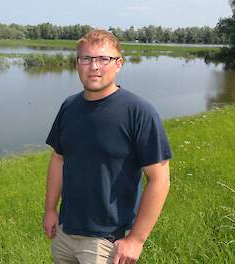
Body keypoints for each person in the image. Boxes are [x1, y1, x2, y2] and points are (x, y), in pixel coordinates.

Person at [43, 29, 172, 264]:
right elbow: (58, 159)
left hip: (105, 242)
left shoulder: (138, 112)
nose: (94, 66)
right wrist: (50, 209)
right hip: (65, 232)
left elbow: (160, 179)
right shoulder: (69, 107)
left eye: (104, 59)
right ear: (77, 64)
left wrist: (136, 239)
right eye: (87, 59)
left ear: (119, 64)